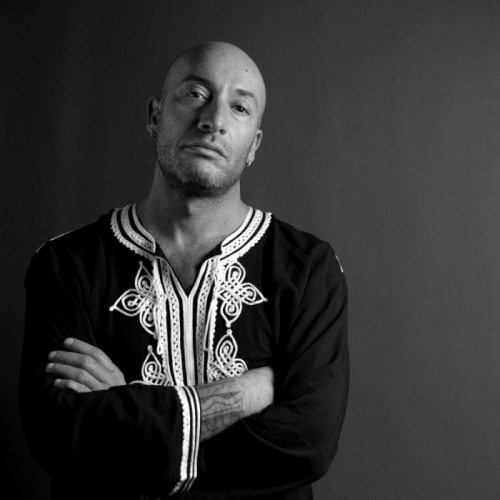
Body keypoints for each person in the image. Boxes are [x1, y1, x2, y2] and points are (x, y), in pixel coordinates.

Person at [19, 41, 349, 500]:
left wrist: (127, 407)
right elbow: (59, 438)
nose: (213, 120)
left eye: (239, 107)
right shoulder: (65, 264)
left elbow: (308, 445)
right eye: (195, 94)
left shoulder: (308, 268)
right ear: (155, 116)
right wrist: (246, 395)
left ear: (253, 145)